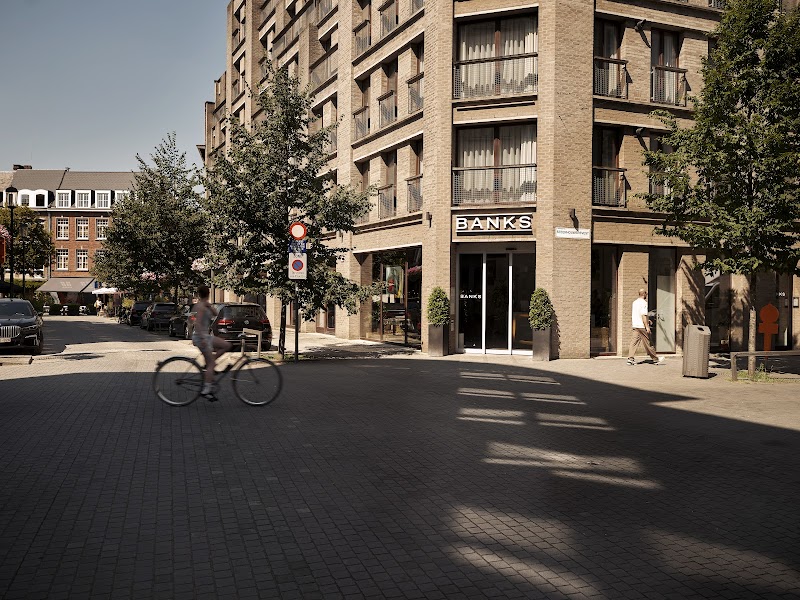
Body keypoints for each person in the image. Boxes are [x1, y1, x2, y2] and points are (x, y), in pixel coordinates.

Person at [192, 284, 232, 399]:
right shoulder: (199, 307)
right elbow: (197, 324)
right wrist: (203, 339)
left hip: (206, 336)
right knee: (211, 365)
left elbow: (215, 314)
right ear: (208, 294)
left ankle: (210, 364)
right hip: (201, 338)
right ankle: (206, 389)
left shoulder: (204, 305)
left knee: (226, 345)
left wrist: (209, 306)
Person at [627, 288, 664, 366]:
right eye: (646, 294)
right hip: (642, 326)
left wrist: (648, 321)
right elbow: (643, 315)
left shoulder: (634, 302)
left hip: (636, 325)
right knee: (648, 342)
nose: (646, 295)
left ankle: (630, 359)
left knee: (633, 342)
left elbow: (638, 314)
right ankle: (655, 359)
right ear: (643, 294)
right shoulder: (644, 303)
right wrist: (647, 326)